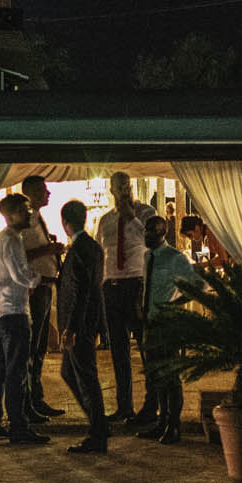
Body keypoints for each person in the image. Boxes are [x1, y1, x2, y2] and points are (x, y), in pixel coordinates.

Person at [0, 193, 47, 445]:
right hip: (13, 311)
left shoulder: (2, 239)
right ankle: (18, 426)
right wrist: (39, 278)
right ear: (12, 214)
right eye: (25, 209)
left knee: (0, 371)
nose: (30, 213)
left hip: (1, 311)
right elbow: (19, 274)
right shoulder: (10, 240)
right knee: (16, 373)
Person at [93, 171, 153, 422]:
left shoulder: (146, 214)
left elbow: (154, 244)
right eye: (117, 188)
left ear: (132, 187)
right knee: (118, 350)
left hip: (136, 285)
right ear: (111, 190)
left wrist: (133, 219)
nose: (123, 191)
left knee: (145, 347)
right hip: (111, 287)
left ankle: (151, 406)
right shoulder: (105, 219)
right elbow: (100, 251)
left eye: (126, 186)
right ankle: (124, 406)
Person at [135, 214, 197, 444]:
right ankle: (161, 420)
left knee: (170, 376)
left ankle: (174, 425)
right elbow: (145, 283)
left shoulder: (174, 258)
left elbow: (195, 284)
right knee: (155, 375)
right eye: (146, 231)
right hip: (150, 321)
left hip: (167, 322)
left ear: (164, 233)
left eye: (153, 232)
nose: (147, 236)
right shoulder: (147, 256)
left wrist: (175, 305)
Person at [56, 199, 109, 453]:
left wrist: (71, 328)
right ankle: (97, 423)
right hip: (88, 322)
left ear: (65, 223)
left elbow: (81, 292)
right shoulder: (93, 247)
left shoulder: (78, 250)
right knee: (69, 372)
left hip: (79, 325)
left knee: (87, 378)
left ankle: (98, 431)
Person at [18, 175, 65, 420]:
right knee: (33, 345)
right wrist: (48, 250)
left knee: (40, 346)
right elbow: (20, 255)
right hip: (34, 289)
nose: (48, 194)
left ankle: (36, 397)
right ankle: (29, 401)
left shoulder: (37, 220)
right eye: (44, 190)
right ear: (33, 193)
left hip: (46, 285)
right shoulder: (25, 223)